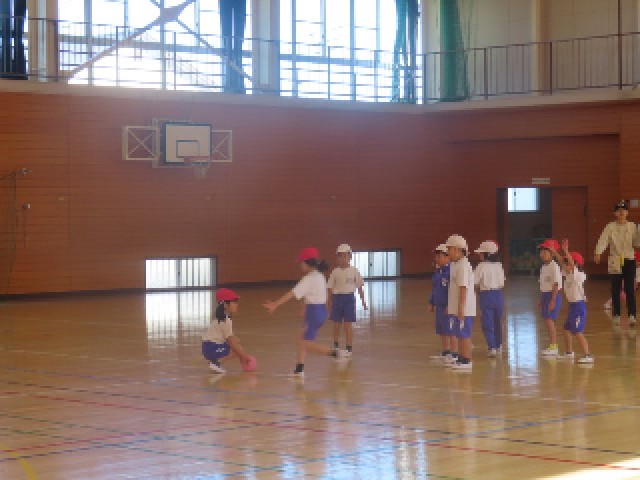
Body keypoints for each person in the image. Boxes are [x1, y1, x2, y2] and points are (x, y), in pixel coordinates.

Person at [264, 247, 347, 377]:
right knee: (300, 337)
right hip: (318, 311)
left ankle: (335, 354)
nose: (300, 265)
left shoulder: (309, 278)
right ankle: (299, 369)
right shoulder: (319, 275)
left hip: (314, 313)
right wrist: (305, 305)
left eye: (301, 262)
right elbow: (315, 294)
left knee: (306, 344)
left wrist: (276, 304)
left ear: (307, 262)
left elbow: (292, 293)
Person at [594, 200, 639, 326]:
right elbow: (603, 240)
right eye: (618, 211)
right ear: (615, 213)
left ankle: (632, 315)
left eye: (623, 210)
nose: (621, 212)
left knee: (630, 289)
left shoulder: (632, 226)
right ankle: (616, 315)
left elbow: (636, 243)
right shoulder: (610, 226)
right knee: (615, 289)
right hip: (615, 260)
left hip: (629, 259)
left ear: (627, 212)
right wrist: (598, 252)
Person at [550, 244, 593, 364]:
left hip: (579, 307)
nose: (565, 265)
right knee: (566, 330)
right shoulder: (567, 274)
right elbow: (561, 262)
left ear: (576, 264)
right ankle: (569, 353)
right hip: (572, 307)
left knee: (577, 331)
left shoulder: (578, 275)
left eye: (568, 262)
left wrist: (566, 251)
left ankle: (588, 355)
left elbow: (572, 266)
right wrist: (555, 252)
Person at [327, 243, 367, 356]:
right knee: (336, 324)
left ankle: (349, 347)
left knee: (348, 325)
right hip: (337, 299)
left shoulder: (354, 271)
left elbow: (359, 286)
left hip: (349, 299)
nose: (342, 259)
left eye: (345, 256)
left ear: (350, 257)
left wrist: (363, 301)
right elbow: (330, 288)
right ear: (337, 258)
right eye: (340, 256)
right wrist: (328, 302)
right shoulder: (335, 272)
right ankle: (335, 345)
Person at [202, 288, 252, 374]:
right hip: (211, 348)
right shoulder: (226, 320)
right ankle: (216, 362)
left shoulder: (221, 317)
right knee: (236, 348)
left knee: (236, 340)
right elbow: (231, 342)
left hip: (208, 347)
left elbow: (231, 338)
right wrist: (243, 355)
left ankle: (214, 360)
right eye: (234, 302)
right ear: (225, 304)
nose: (237, 305)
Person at [446, 234, 476, 371]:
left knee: (464, 335)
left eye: (449, 249)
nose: (448, 252)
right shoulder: (455, 264)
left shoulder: (463, 265)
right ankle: (461, 357)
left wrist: (461, 307)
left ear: (457, 250)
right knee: (459, 333)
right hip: (457, 307)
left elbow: (463, 287)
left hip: (465, 308)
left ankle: (466, 360)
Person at [473, 240, 505, 358]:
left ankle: (492, 347)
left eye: (481, 253)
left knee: (487, 322)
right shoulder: (499, 265)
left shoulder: (481, 266)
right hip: (499, 294)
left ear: (487, 254)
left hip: (486, 295)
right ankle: (498, 345)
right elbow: (502, 281)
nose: (479, 255)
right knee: (497, 321)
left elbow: (474, 281)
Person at [429, 244, 458, 363]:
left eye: (439, 256)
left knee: (450, 330)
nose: (437, 259)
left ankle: (454, 353)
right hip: (439, 306)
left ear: (447, 257)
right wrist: (431, 302)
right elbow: (434, 289)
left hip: (448, 307)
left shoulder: (451, 272)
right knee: (442, 330)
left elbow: (452, 291)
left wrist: (450, 305)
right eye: (436, 256)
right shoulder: (437, 272)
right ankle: (446, 351)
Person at [538, 239, 563, 356]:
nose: (542, 254)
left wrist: (553, 300)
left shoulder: (554, 266)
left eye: (545, 251)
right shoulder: (544, 267)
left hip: (553, 295)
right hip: (545, 295)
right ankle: (552, 346)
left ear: (552, 253)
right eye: (541, 252)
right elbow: (543, 284)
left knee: (549, 320)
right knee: (547, 320)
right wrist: (541, 299)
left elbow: (556, 284)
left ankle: (554, 347)